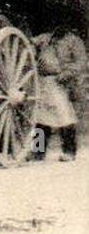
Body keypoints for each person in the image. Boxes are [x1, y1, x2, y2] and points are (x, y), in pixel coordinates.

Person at [33, 31, 80, 162]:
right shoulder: (45, 38)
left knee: (64, 117)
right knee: (41, 117)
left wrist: (67, 74)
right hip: (43, 82)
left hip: (60, 83)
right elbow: (31, 43)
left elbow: (79, 63)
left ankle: (69, 151)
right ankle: (38, 152)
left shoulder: (73, 41)